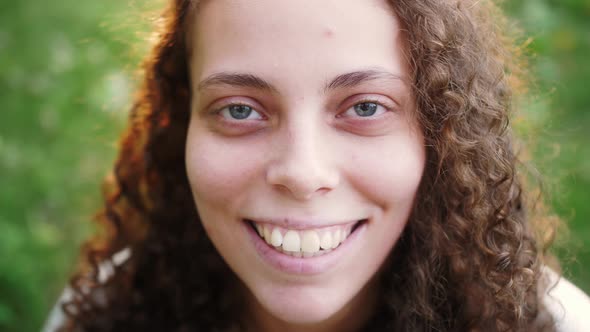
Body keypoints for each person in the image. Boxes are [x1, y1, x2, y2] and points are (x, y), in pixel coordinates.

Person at [45, 0, 590, 331]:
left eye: (366, 108)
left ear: (442, 133)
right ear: (179, 124)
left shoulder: (555, 326)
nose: (303, 174)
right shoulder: (100, 315)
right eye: (240, 109)